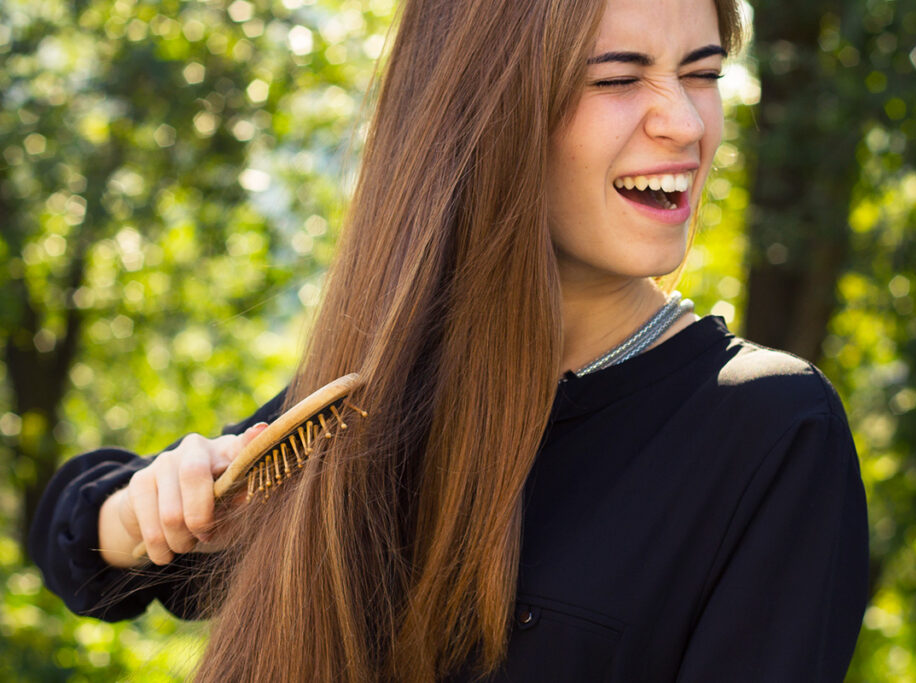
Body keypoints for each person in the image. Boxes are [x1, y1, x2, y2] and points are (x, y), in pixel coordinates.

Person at [30, 0, 870, 680]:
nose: (685, 124)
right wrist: (142, 508)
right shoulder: (384, 395)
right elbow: (83, 550)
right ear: (488, 107)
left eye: (703, 73)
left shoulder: (771, 430)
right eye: (618, 77)